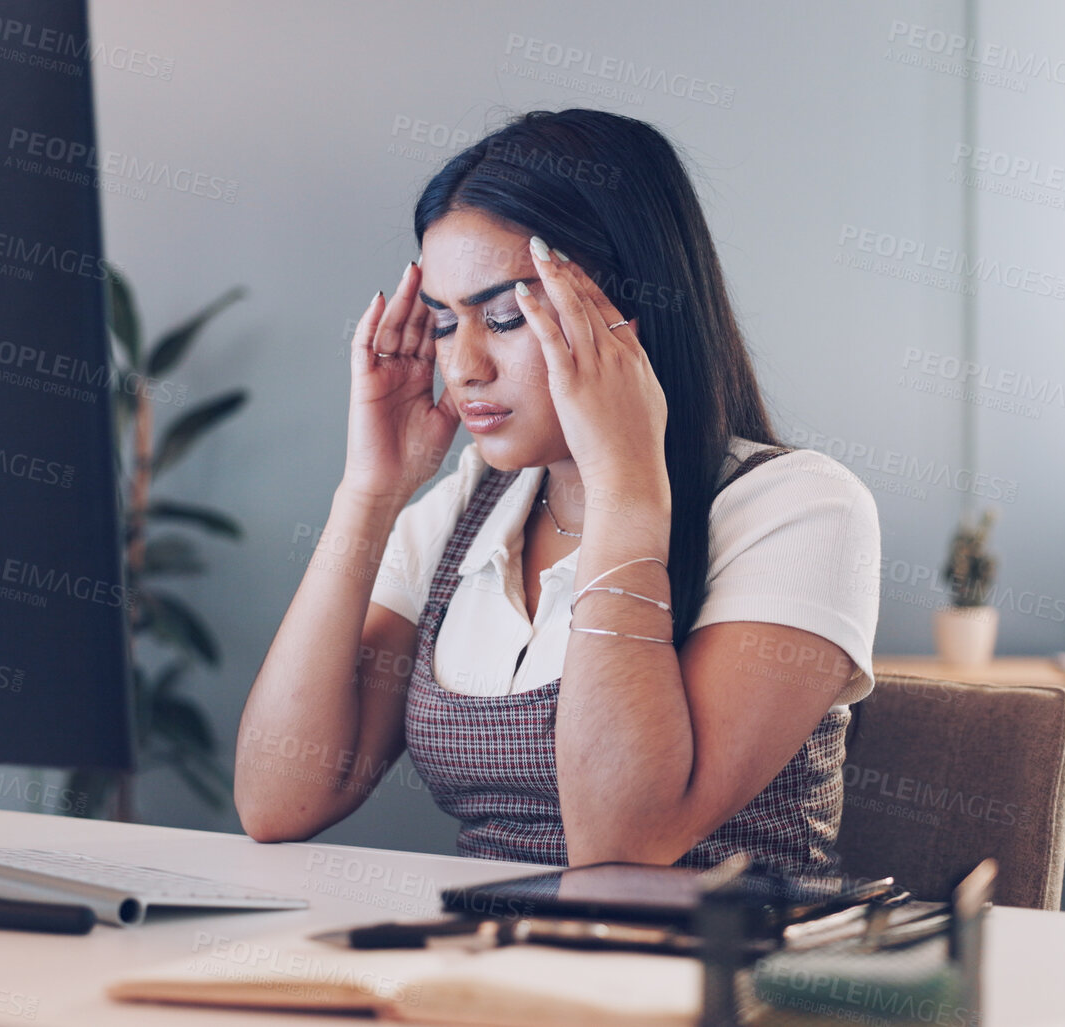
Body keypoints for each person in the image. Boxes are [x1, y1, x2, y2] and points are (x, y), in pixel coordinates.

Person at [236, 108, 880, 873]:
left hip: (717, 979)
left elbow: (625, 842)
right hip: (490, 967)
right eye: (443, 324)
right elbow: (280, 798)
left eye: (505, 318)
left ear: (626, 313)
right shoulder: (464, 510)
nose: (463, 365)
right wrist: (369, 494)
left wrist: (624, 487)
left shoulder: (796, 510)